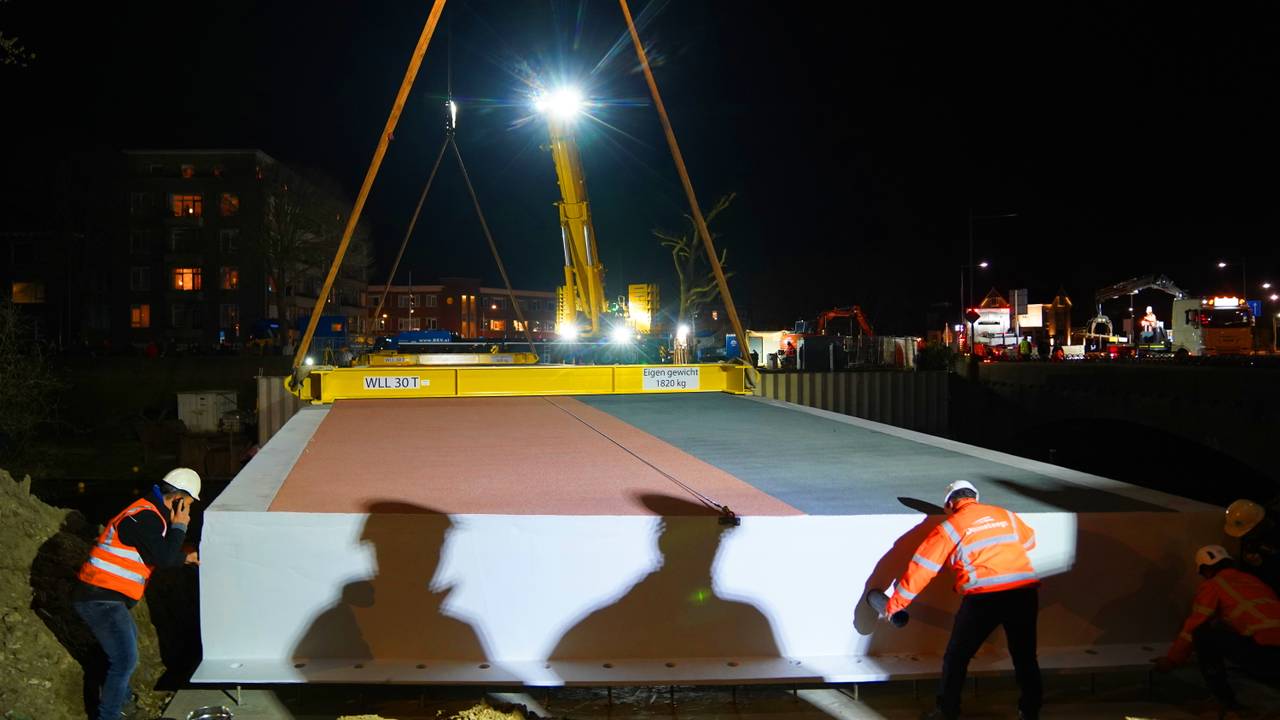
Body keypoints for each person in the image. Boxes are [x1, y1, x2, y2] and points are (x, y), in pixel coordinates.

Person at [882, 480, 1041, 720]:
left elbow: (922, 569)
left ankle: (948, 711)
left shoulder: (949, 528)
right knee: (1024, 655)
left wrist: (896, 605)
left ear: (949, 504)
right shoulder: (1005, 515)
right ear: (975, 497)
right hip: (1023, 593)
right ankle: (1030, 712)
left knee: (957, 657)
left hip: (984, 598)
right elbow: (1029, 542)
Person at [73, 468, 201, 720]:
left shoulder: (149, 514)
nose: (189, 509)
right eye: (189, 503)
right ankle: (110, 715)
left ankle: (123, 702)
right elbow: (163, 558)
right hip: (100, 597)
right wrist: (179, 527)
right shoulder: (144, 516)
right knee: (125, 659)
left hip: (106, 597)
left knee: (121, 654)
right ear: (178, 498)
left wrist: (187, 557)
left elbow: (154, 551)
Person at [1153, 545, 1280, 714]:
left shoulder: (1213, 585)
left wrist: (1172, 660)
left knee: (1203, 634)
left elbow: (1194, 626)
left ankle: (1224, 700)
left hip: (1268, 657)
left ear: (1205, 570)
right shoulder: (1253, 581)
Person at [1225, 499, 1280, 592]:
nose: (1245, 536)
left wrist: (1265, 563)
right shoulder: (1251, 540)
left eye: (1249, 532)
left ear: (1260, 524)